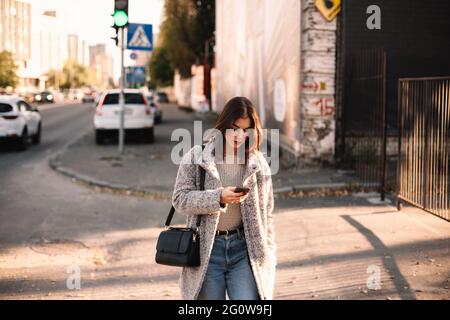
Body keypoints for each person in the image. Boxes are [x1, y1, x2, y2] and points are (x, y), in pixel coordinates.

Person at [172, 96, 276, 300]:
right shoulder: (197, 157)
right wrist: (217, 197)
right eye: (234, 127)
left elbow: (267, 211)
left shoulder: (258, 163)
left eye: (245, 130)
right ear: (224, 124)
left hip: (245, 250)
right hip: (207, 252)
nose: (239, 135)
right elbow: (179, 199)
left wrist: (269, 250)